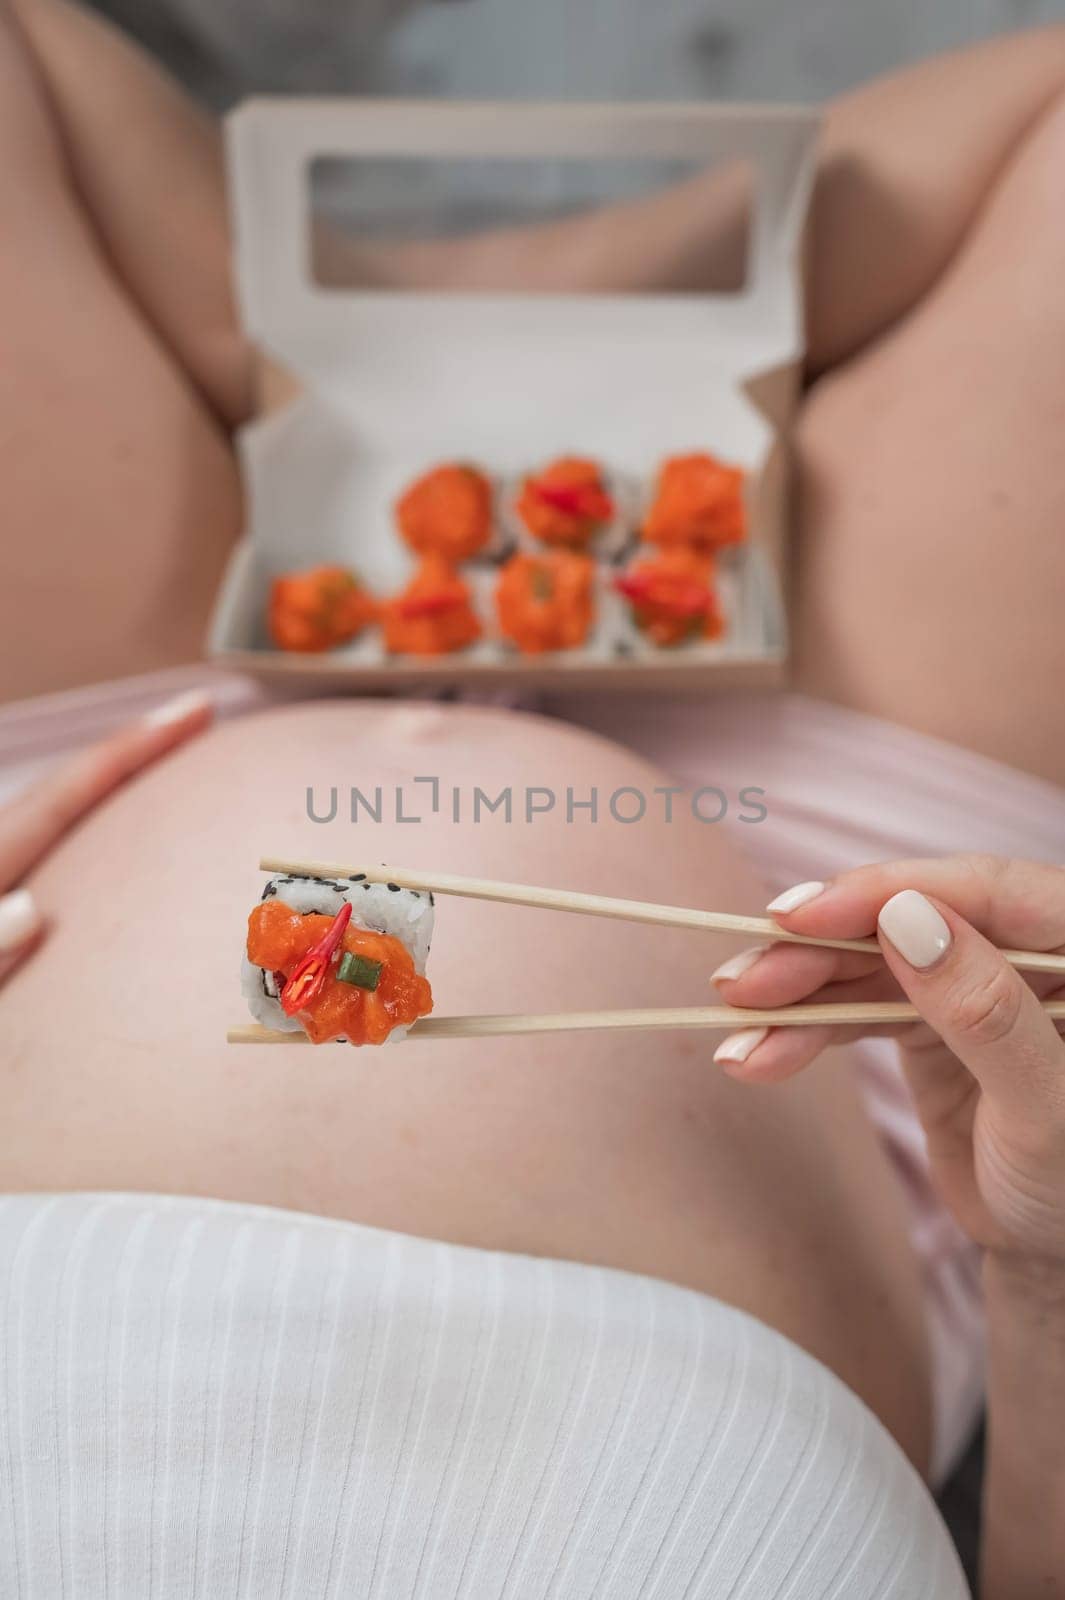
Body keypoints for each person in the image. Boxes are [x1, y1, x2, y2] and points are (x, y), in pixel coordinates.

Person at [2, 0, 1065, 1592]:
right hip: (851, 1020)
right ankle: (491, 360)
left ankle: (353, 360)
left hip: (82, 807)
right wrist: (1045, 1276)